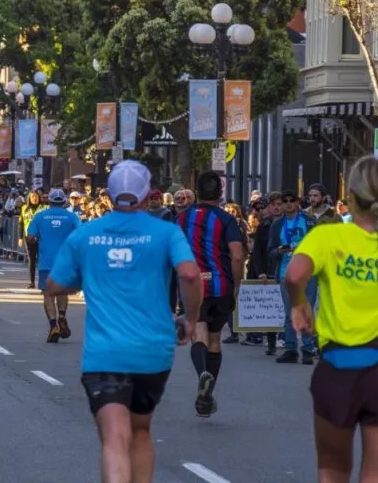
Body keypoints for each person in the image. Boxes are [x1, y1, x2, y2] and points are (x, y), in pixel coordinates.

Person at [45, 160, 202, 483]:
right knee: (141, 430)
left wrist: (89, 277)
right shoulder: (166, 232)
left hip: (104, 353)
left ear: (108, 196)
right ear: (146, 196)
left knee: (115, 437)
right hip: (152, 350)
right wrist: (191, 317)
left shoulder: (86, 234)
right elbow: (189, 273)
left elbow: (55, 285)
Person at [283, 156, 378, 482]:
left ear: (351, 195)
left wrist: (299, 304)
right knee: (377, 476)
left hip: (337, 367)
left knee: (332, 470)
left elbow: (293, 276)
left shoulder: (328, 237)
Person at [176, 171, 245, 418]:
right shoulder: (227, 220)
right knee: (215, 338)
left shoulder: (182, 219)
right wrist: (236, 284)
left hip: (193, 284)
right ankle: (207, 394)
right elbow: (237, 255)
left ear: (196, 192)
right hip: (221, 285)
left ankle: (202, 375)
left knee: (199, 333)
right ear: (220, 193)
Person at [268, 189, 319, 364]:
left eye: (292, 200)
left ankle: (307, 349)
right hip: (286, 273)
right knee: (290, 313)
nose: (288, 204)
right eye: (285, 201)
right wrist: (279, 251)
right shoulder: (276, 225)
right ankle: (291, 349)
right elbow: (270, 250)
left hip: (308, 274)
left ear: (298, 203)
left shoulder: (310, 222)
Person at [27, 188, 81, 343]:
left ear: (49, 201)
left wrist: (36, 239)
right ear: (64, 202)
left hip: (46, 262)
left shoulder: (40, 216)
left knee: (48, 294)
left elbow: (30, 236)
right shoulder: (71, 217)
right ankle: (62, 316)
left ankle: (53, 326)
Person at [19, 190, 47, 289]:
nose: (34, 199)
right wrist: (20, 237)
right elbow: (21, 223)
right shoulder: (24, 208)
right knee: (31, 260)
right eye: (32, 197)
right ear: (29, 199)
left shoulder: (44, 208)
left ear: (39, 198)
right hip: (29, 237)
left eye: (36, 197)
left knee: (42, 260)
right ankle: (32, 282)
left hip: (42, 237)